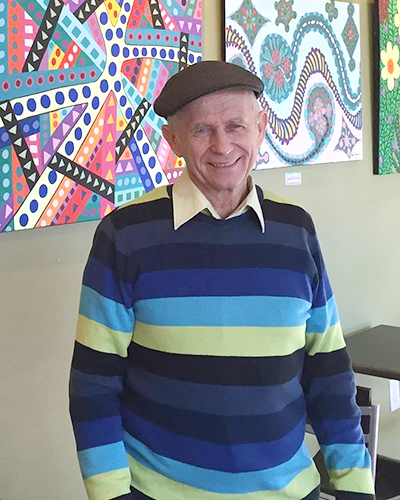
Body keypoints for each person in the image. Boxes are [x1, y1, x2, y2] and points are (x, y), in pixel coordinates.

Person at [69, 61, 375, 500]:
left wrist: (354, 485)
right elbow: (93, 385)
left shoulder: (296, 230)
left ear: (261, 128)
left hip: (290, 491)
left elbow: (328, 371)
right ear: (172, 140)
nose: (222, 145)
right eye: (201, 130)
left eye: (236, 125)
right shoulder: (124, 236)